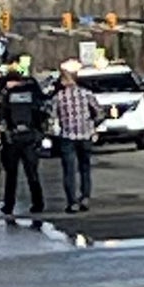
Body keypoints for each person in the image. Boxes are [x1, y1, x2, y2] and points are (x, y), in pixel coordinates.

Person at [0, 63, 47, 218]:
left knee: (11, 175)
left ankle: (9, 205)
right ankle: (38, 203)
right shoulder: (31, 93)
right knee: (32, 173)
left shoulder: (6, 95)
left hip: (12, 139)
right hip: (29, 137)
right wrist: (40, 134)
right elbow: (40, 113)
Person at [51, 60, 101, 213]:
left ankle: (72, 201)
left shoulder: (58, 97)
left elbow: (52, 117)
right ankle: (85, 197)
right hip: (85, 135)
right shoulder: (86, 94)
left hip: (67, 137)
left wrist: (55, 131)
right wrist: (93, 126)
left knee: (69, 171)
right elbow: (99, 113)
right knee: (85, 168)